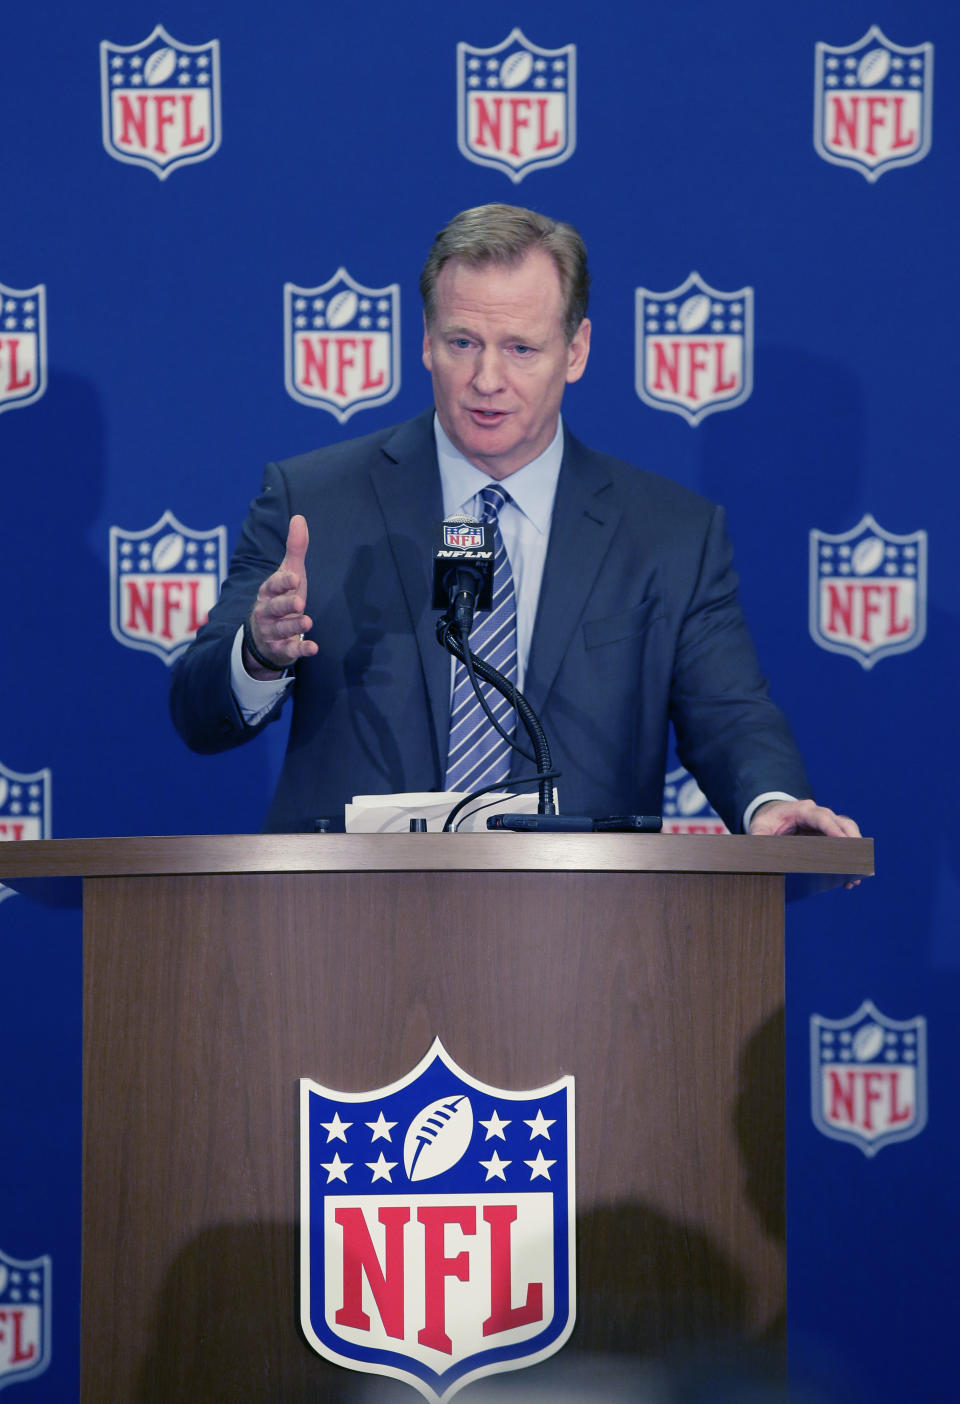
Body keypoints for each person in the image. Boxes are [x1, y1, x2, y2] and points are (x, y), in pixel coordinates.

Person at [170, 203, 860, 842]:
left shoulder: (670, 534)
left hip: (580, 938)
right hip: (346, 928)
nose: (487, 379)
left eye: (520, 349)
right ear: (426, 343)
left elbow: (729, 713)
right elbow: (199, 716)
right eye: (463, 342)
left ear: (578, 349)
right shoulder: (314, 503)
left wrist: (770, 804)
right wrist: (257, 653)